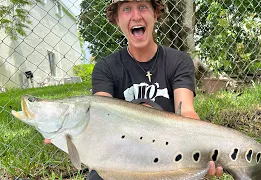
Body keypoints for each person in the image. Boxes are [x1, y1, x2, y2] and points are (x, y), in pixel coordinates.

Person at [47, 0, 223, 179]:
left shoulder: (179, 61)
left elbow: (186, 111)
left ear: (155, 14)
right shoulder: (105, 67)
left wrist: (204, 149)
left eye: (142, 7)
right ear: (116, 19)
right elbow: (99, 115)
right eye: (126, 9)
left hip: (170, 155)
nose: (136, 16)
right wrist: (65, 131)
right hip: (119, 159)